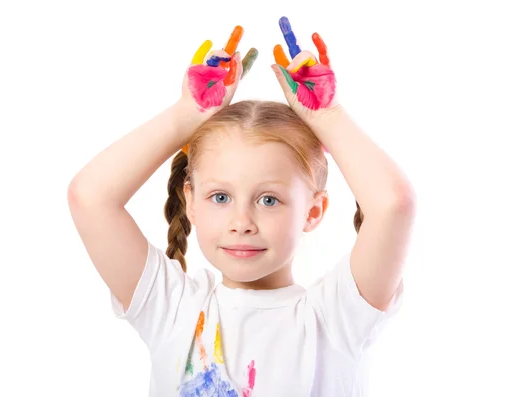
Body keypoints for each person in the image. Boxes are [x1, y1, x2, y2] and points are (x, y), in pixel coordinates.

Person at [68, 18, 415, 397]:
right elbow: (90, 197)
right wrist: (186, 115)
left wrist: (326, 117)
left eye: (269, 200)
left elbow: (393, 204)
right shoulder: (172, 309)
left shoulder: (336, 318)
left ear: (313, 211)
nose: (242, 222)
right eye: (220, 197)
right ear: (192, 202)